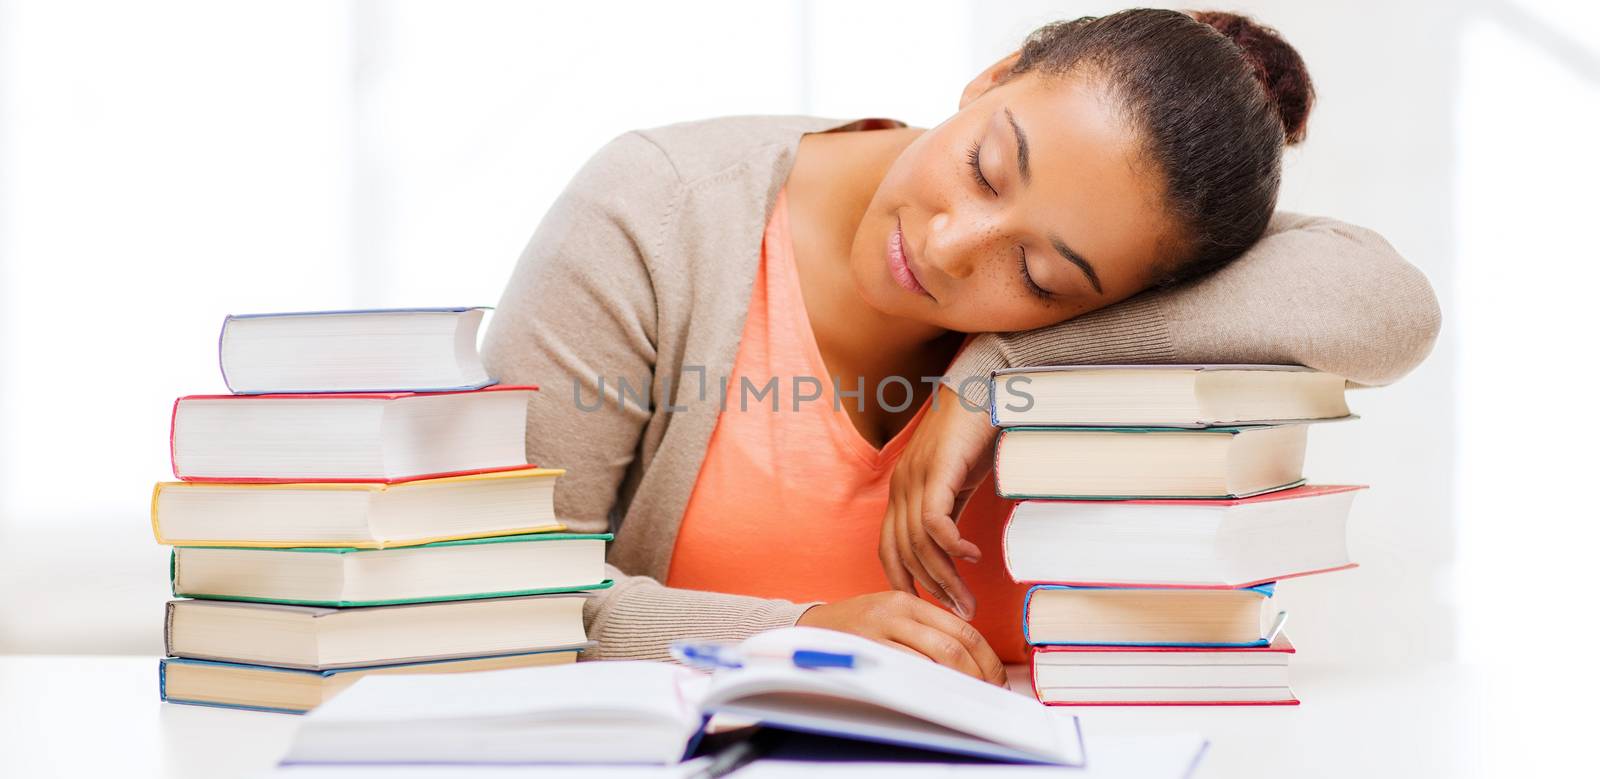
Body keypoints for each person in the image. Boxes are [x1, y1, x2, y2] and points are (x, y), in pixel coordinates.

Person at [483, 8, 1440, 685]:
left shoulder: (1123, 273)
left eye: (1039, 280)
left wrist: (993, 375)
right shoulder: (659, 214)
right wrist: (799, 635)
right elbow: (490, 590)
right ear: (995, 75)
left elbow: (1390, 307)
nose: (947, 248)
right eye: (985, 166)